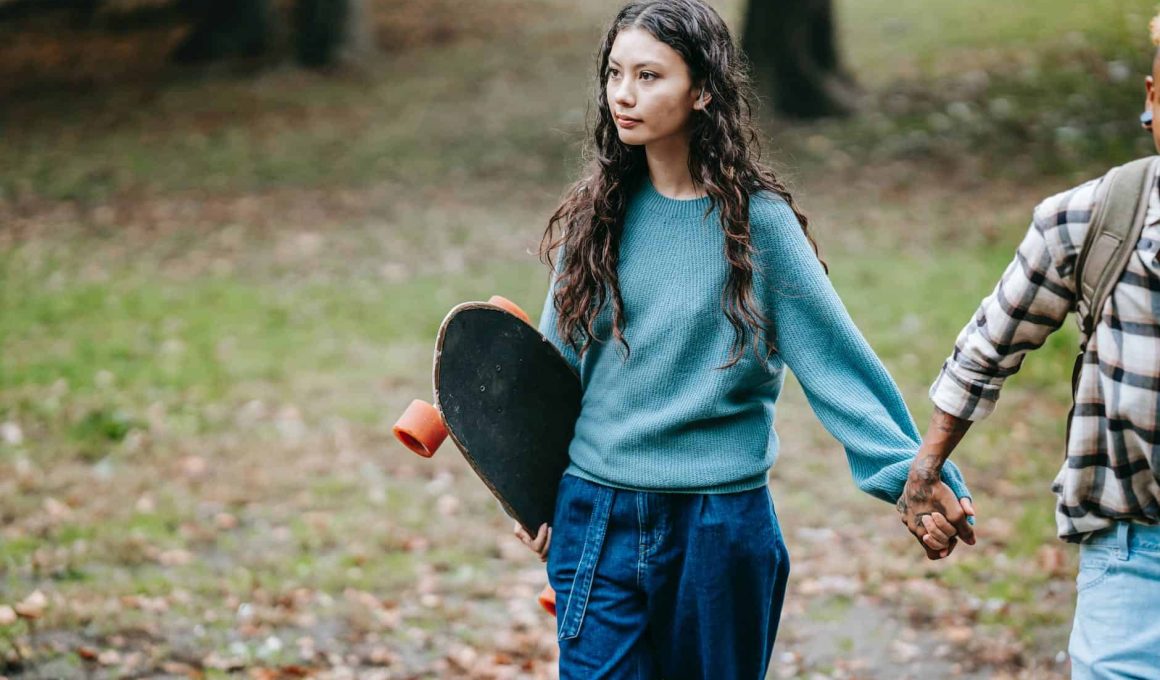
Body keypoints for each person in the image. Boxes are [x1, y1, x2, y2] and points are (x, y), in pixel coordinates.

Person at [515, 1, 974, 677]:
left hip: (719, 526)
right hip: (598, 518)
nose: (623, 93)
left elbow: (838, 365)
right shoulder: (597, 218)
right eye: (615, 72)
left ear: (702, 90)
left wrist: (911, 475)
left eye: (648, 75)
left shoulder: (759, 228)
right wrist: (530, 488)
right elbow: (553, 369)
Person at [896, 14, 1160, 679]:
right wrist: (926, 471)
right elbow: (985, 350)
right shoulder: (1095, 219)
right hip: (1136, 560)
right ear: (1153, 101)